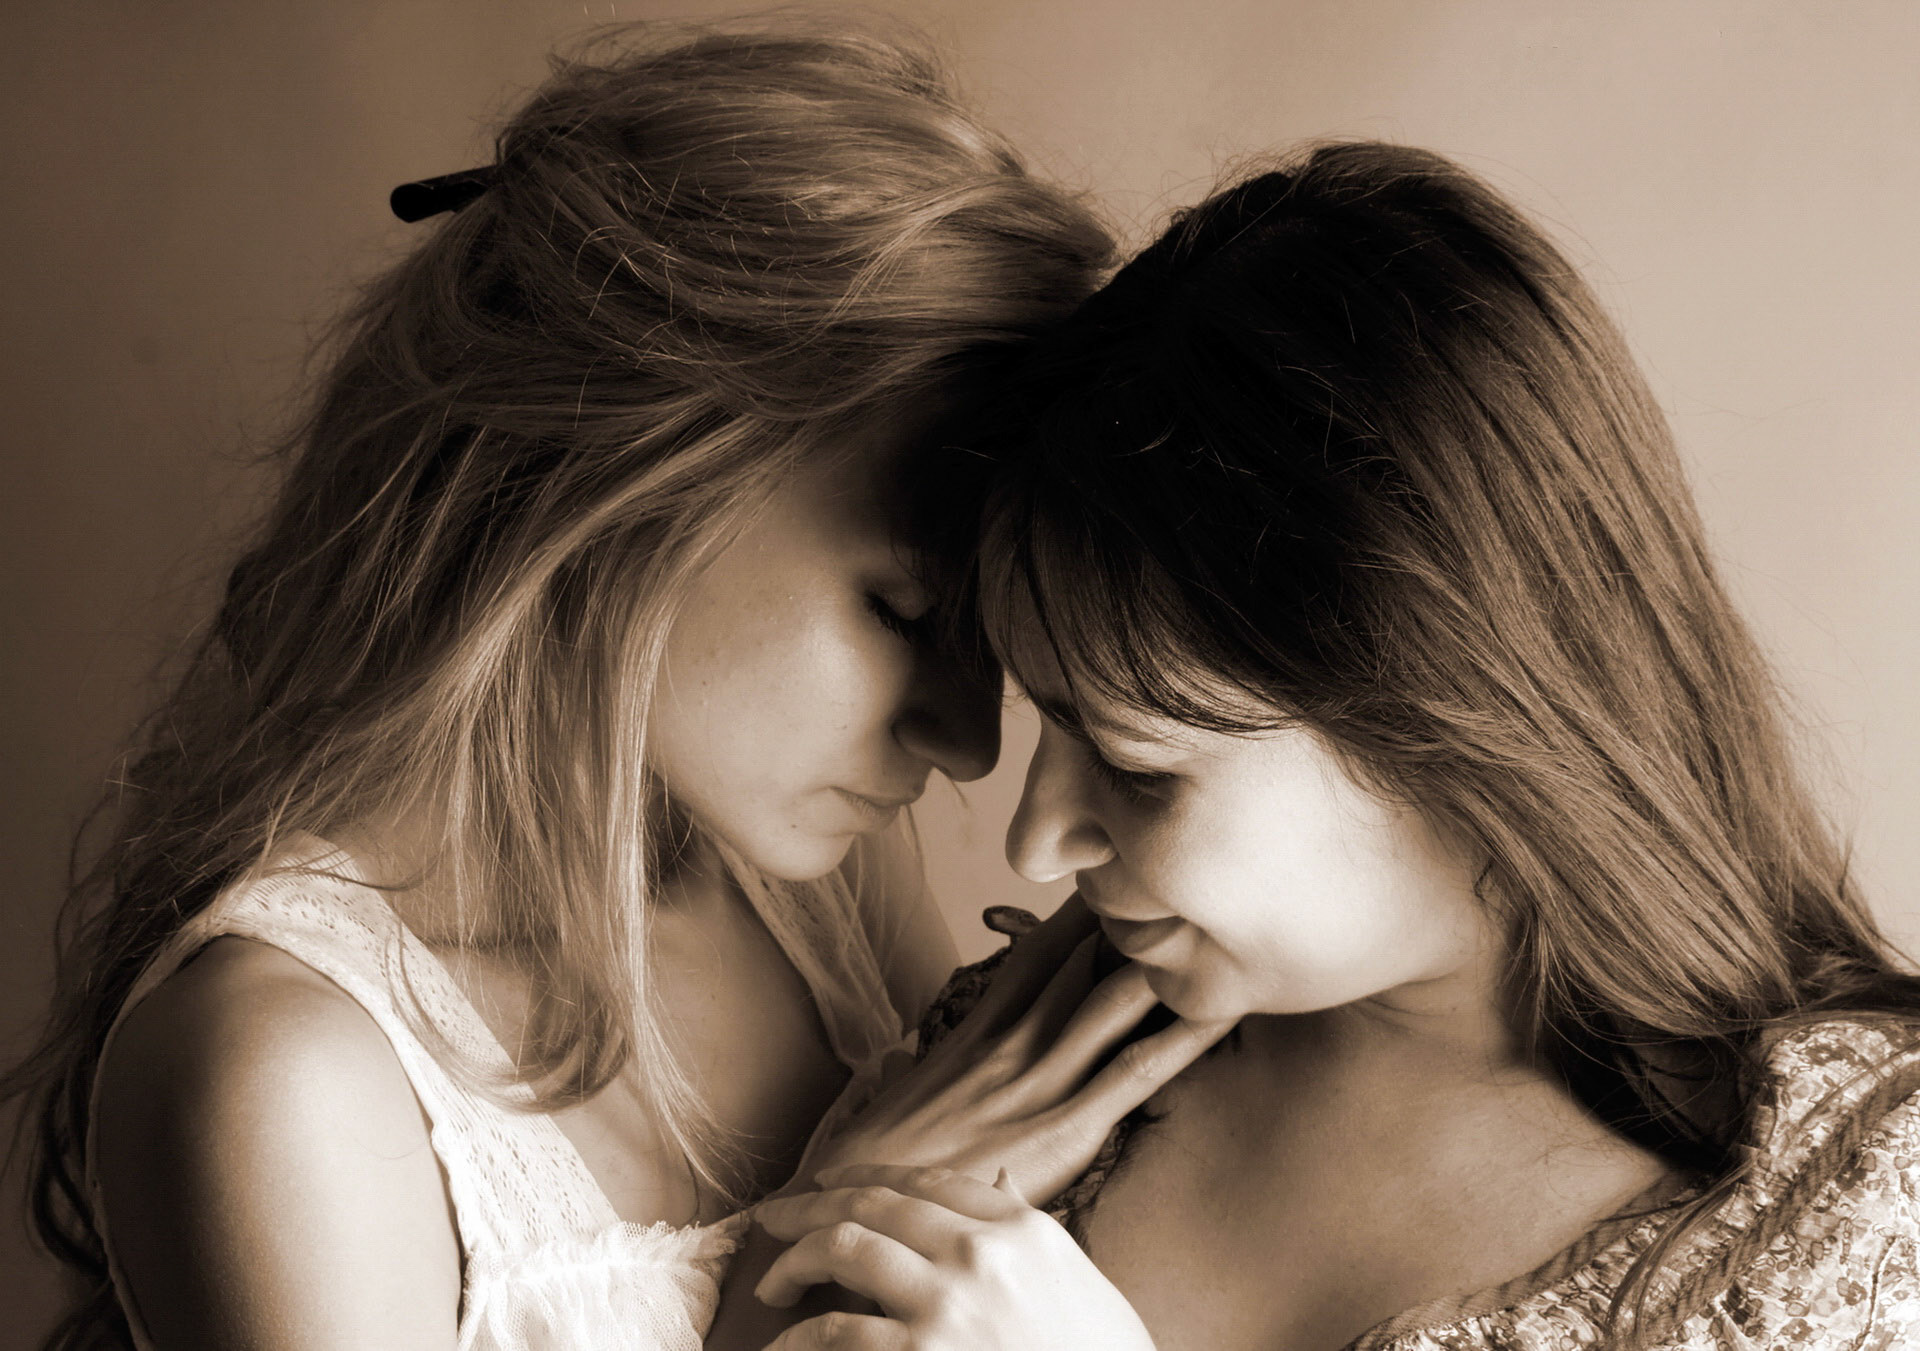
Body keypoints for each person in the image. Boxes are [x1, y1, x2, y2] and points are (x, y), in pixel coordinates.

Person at [1, 26, 1232, 1351]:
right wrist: (799, 1261)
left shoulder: (820, 896)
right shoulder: (285, 1072)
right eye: (909, 613)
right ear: (621, 487)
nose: (969, 743)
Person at [748, 142, 1920, 1350]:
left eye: (1139, 769)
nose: (1037, 846)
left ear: (1453, 725)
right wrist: (831, 1206)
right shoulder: (1022, 1052)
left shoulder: (1863, 1199)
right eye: (1048, 721)